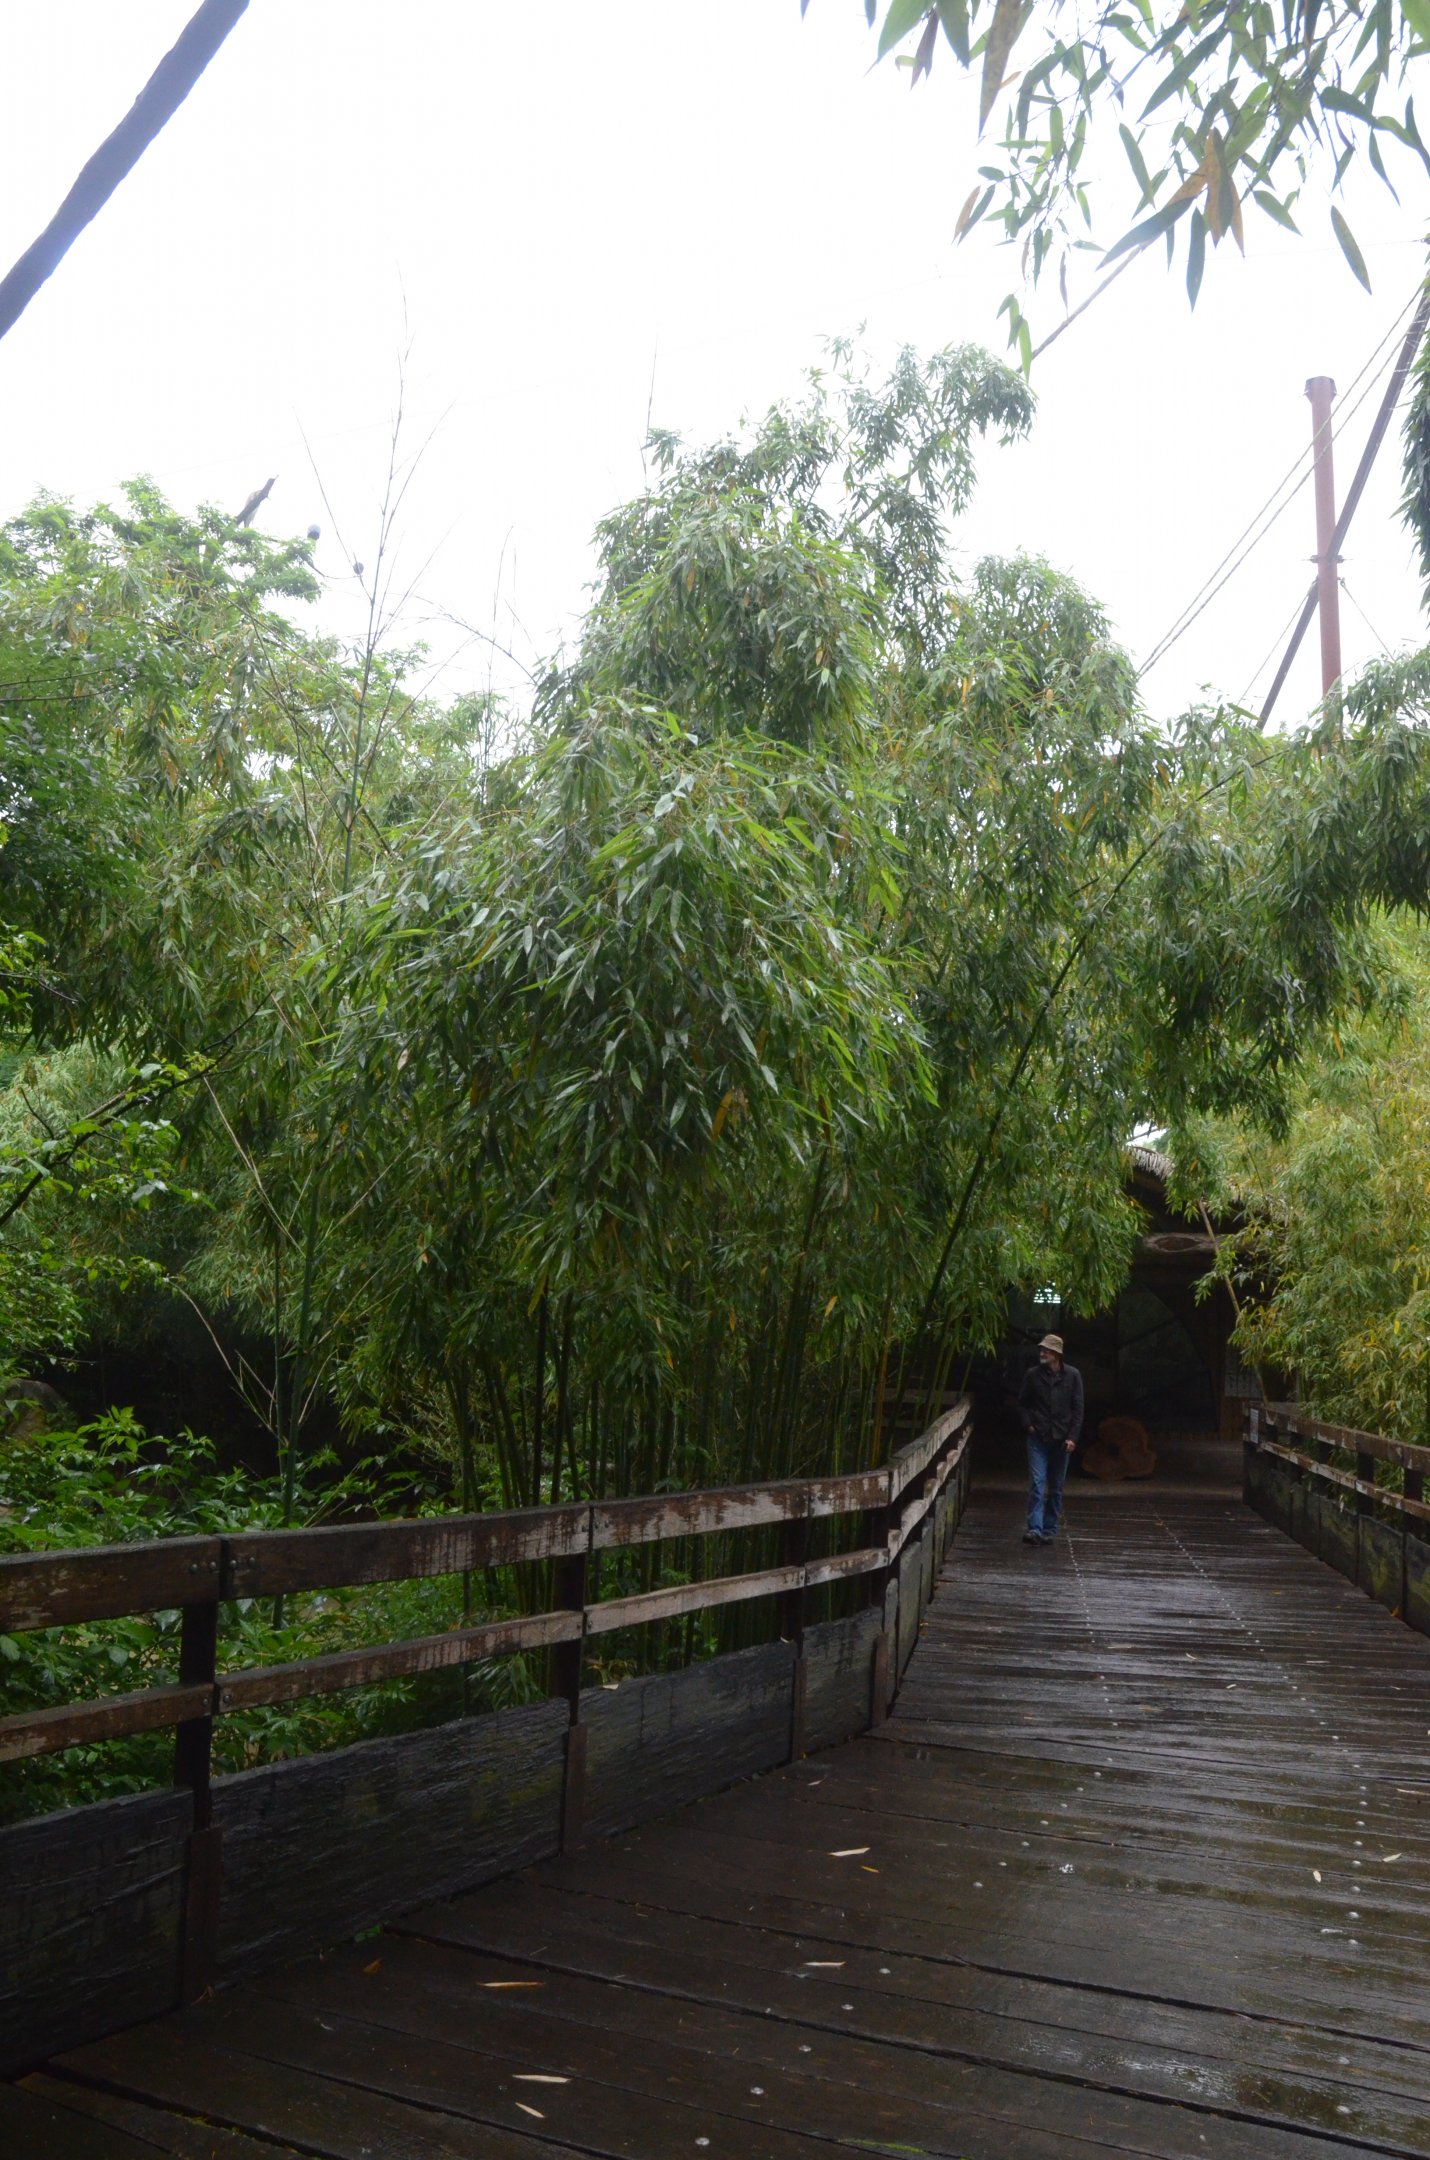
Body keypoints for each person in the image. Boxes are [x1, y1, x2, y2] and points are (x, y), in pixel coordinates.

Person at [1017, 1333, 1083, 1545]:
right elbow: (1022, 1402)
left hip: (1061, 1439)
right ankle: (1034, 1529)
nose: (1042, 1353)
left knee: (1056, 1486)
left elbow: (1078, 1408)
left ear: (1057, 1354)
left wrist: (1073, 1437)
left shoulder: (1073, 1376)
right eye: (1042, 1349)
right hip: (1038, 1437)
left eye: (1046, 1350)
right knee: (1037, 1483)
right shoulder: (1032, 1375)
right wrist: (1028, 1425)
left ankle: (1050, 1528)